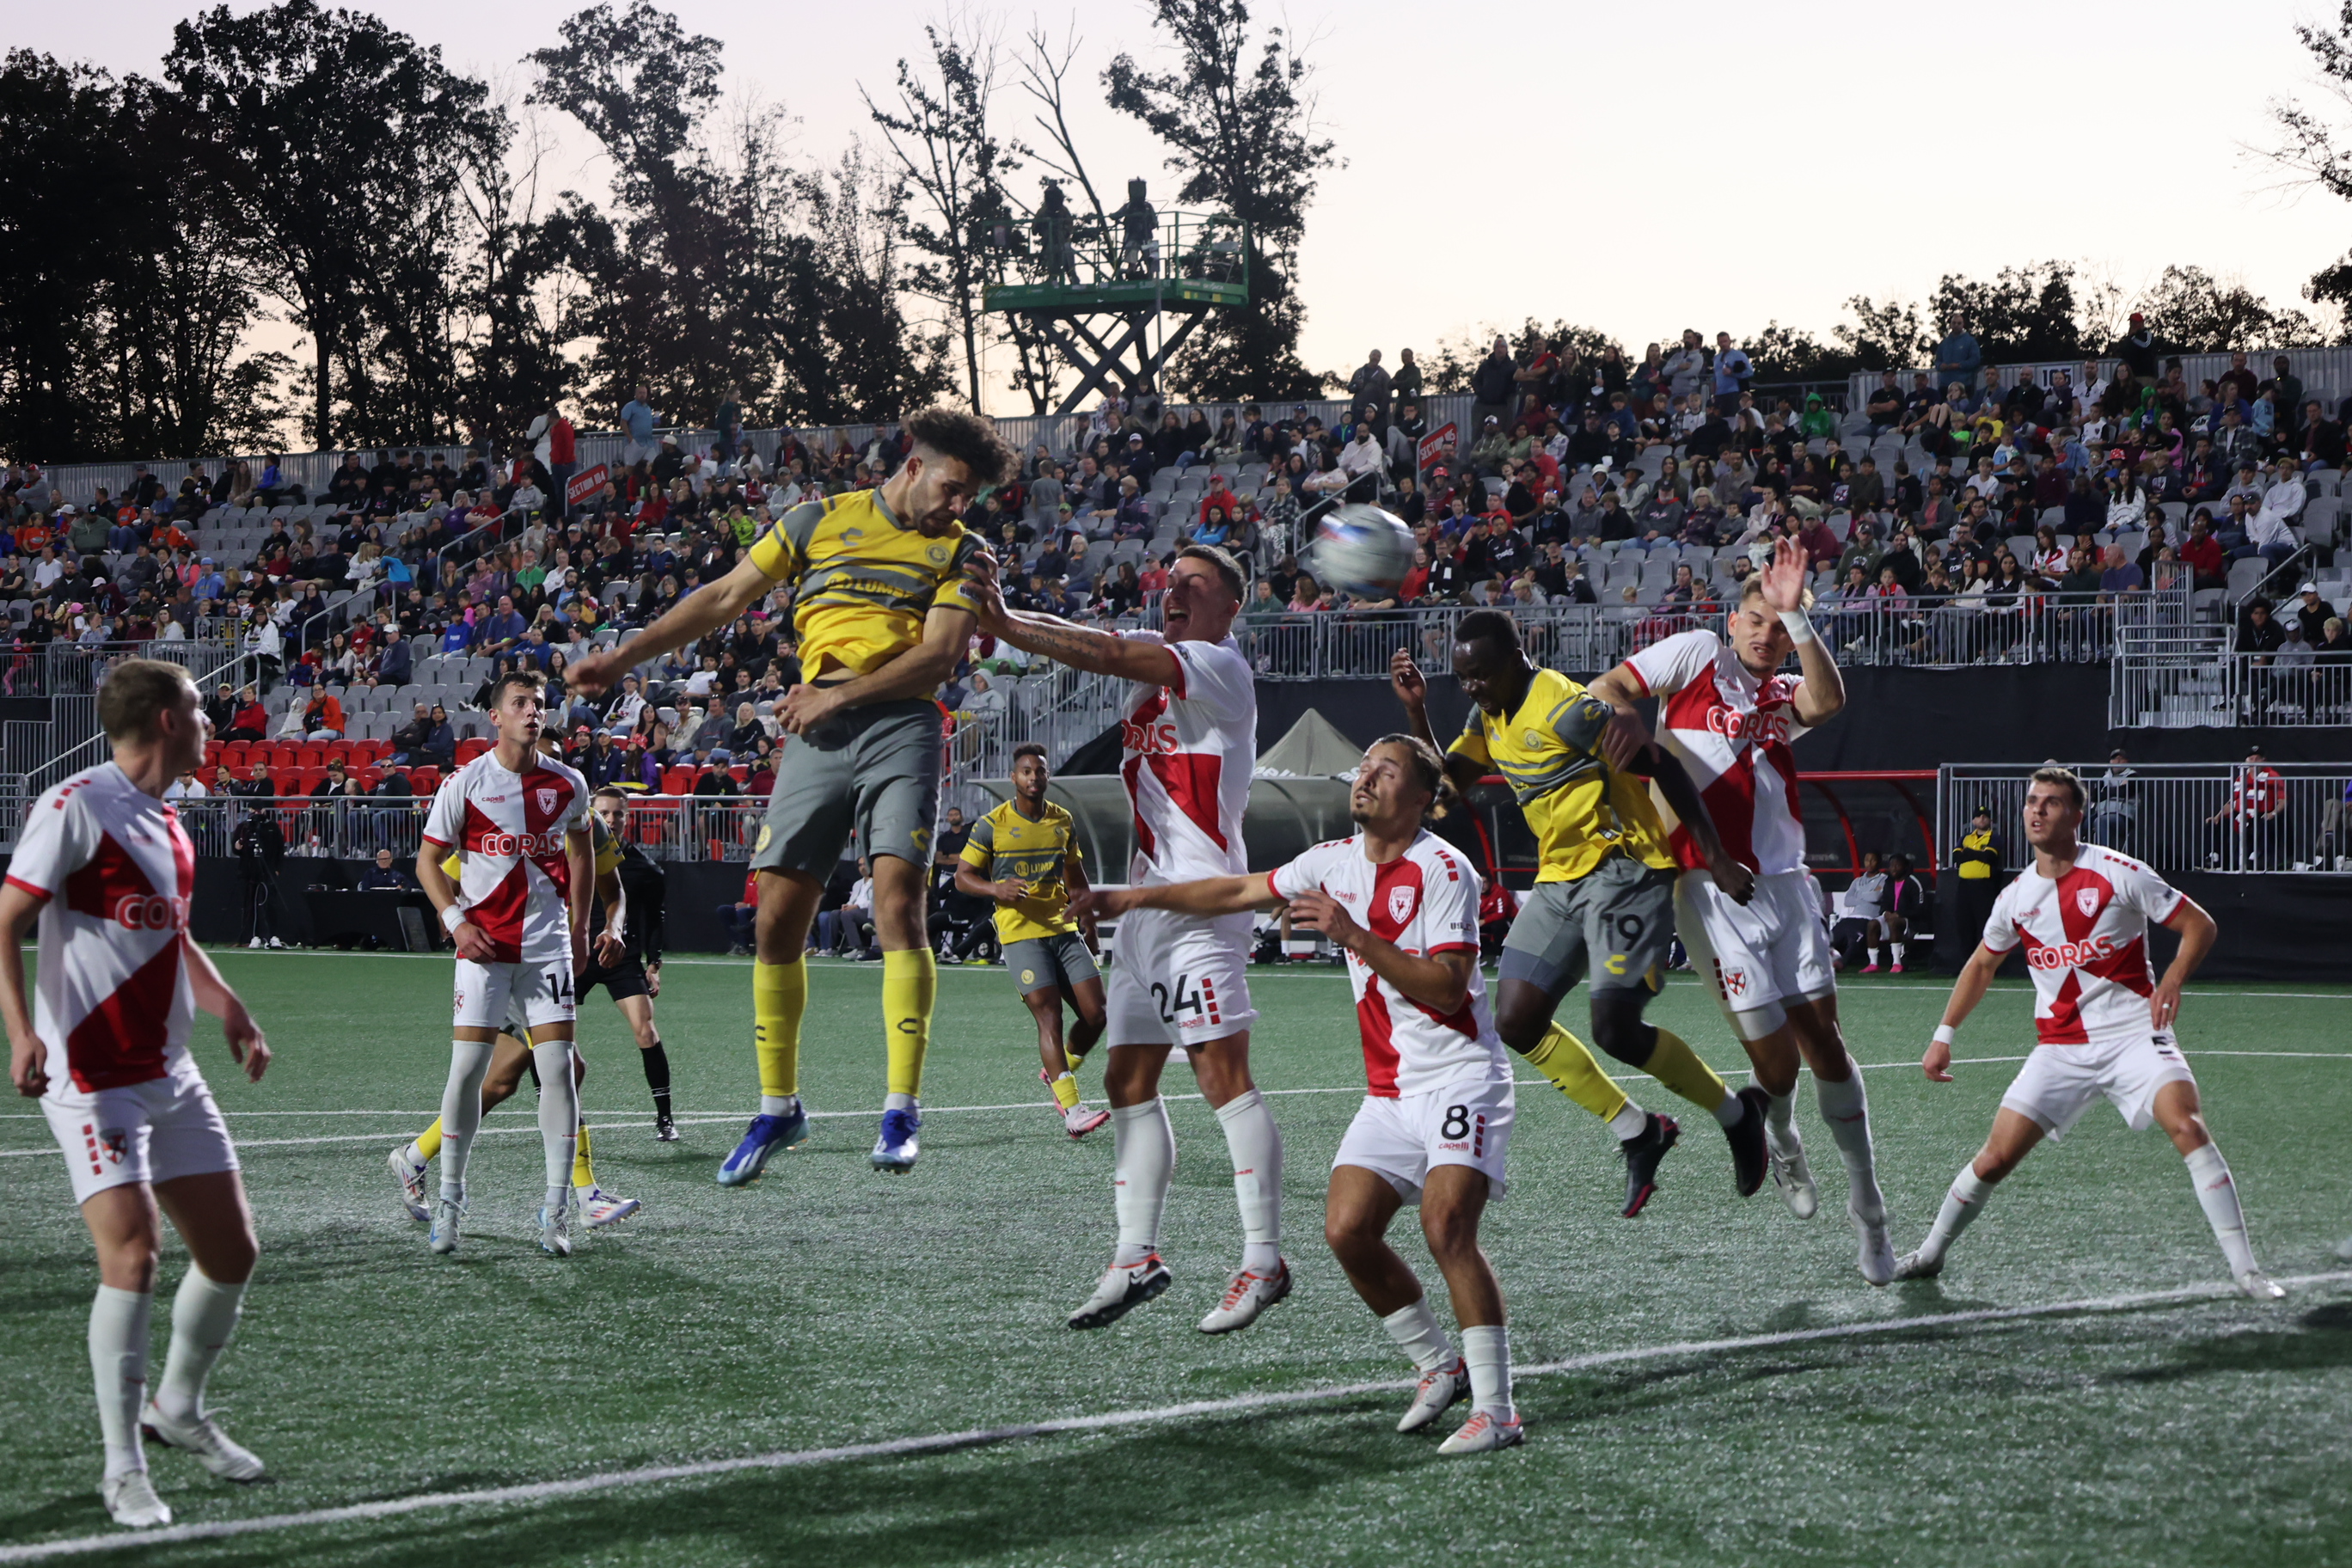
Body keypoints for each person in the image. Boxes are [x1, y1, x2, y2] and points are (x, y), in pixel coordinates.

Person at [566, 406, 1015, 1182]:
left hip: (898, 725)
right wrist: (622, 659)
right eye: (953, 487)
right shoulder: (814, 522)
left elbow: (939, 658)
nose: (959, 505)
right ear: (915, 466)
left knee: (896, 902)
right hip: (818, 731)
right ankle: (779, 1109)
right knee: (776, 920)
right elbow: (721, 597)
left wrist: (834, 699)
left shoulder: (963, 550)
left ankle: (901, 1109)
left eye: (970, 495)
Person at [1082, 737, 1526, 1453]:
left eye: (1386, 772)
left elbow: (1447, 989)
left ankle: (1499, 1410)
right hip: (1389, 1090)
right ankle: (1437, 1366)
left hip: (1461, 1075)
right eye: (1364, 768)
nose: (1366, 779)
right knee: (1347, 1230)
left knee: (1446, 1228)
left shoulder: (1447, 869)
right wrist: (1127, 897)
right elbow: (1233, 891)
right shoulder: (1329, 862)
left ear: (1420, 799)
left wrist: (1351, 932)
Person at [971, 546, 1284, 1334]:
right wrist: (1006, 623)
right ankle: (1136, 1254)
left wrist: (1006, 622)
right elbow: (1101, 643)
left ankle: (1264, 1257)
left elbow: (1102, 648)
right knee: (1127, 1082)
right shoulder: (1161, 672)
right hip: (1144, 915)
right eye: (1170, 580)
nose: (1173, 591)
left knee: (1223, 1078)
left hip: (1199, 906)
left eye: (1194, 585)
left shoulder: (1216, 665)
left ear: (1230, 608)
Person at [2, 658, 273, 1527]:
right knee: (134, 1255)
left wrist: (227, 1005)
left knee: (232, 1251)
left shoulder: (168, 820)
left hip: (168, 1068)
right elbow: (5, 919)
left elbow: (173, 936)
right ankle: (122, 1469)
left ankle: (176, 1410)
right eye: (198, 708)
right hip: (92, 1075)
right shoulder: (77, 805)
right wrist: (22, 1032)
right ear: (163, 719)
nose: (210, 723)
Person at [1390, 614, 1771, 1221]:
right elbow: (1445, 790)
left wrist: (1718, 858)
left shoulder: (1566, 709)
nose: (1473, 688)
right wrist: (1417, 714)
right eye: (1463, 678)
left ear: (1518, 657)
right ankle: (1637, 1130)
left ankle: (1737, 1113)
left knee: (1614, 1027)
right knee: (1514, 1021)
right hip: (1561, 878)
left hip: (1627, 870)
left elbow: (1662, 766)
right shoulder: (1486, 716)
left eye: (1482, 675)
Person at [1585, 548, 1893, 1280]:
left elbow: (1829, 703)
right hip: (1708, 888)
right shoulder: (1696, 655)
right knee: (1775, 1063)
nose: (1764, 634)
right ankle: (1781, 1135)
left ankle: (1869, 1212)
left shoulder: (1784, 694)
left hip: (1786, 884)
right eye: (1754, 619)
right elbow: (1606, 688)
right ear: (1731, 622)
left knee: (1827, 1043)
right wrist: (1627, 736)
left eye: (1776, 627)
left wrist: (1797, 614)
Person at [1895, 769, 2281, 1302]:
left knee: (2188, 1127)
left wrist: (2171, 979)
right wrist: (1943, 1035)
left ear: (2077, 815)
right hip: (2061, 1048)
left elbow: (2201, 925)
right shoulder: (2016, 896)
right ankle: (1930, 1254)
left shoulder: (2120, 872)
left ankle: (2247, 1272)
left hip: (2134, 1036)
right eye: (2032, 802)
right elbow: (1982, 963)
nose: (2037, 811)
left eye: (2051, 803)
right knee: (1994, 1160)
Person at [409, 671, 597, 1257]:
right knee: (467, 1070)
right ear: (496, 715)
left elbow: (585, 852)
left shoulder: (568, 783)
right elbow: (427, 863)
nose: (532, 712)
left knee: (560, 1071)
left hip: (547, 949)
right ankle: (450, 1202)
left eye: (539, 704)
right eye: (520, 703)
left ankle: (555, 1212)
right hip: (483, 948)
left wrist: (582, 925)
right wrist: (456, 922)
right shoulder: (465, 784)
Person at [955, 744, 1111, 1139]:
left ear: (1046, 776)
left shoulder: (1062, 821)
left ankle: (1060, 1072)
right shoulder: (992, 824)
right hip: (1020, 934)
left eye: (1040, 771)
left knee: (1098, 1014)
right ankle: (1073, 1110)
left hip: (1063, 929)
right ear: (1014, 778)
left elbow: (1076, 877)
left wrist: (1089, 925)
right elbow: (962, 877)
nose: (1034, 778)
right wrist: (995, 888)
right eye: (1026, 771)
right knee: (1050, 1017)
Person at [581, 787, 676, 1139]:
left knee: (646, 1031)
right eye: (603, 813)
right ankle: (557, 1113)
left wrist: (655, 964)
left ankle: (665, 1118)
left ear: (627, 816)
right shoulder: (571, 854)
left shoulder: (644, 869)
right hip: (576, 956)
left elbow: (655, 917)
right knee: (549, 1037)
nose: (611, 820)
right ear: (590, 814)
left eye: (618, 814)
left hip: (621, 957)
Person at [231, 805, 286, 950]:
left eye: (259, 809)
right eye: (253, 809)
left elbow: (280, 849)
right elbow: (236, 849)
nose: (257, 813)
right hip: (249, 871)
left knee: (271, 904)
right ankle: (254, 936)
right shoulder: (244, 827)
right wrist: (242, 842)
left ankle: (273, 936)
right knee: (251, 904)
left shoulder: (272, 827)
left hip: (268, 870)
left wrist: (277, 869)